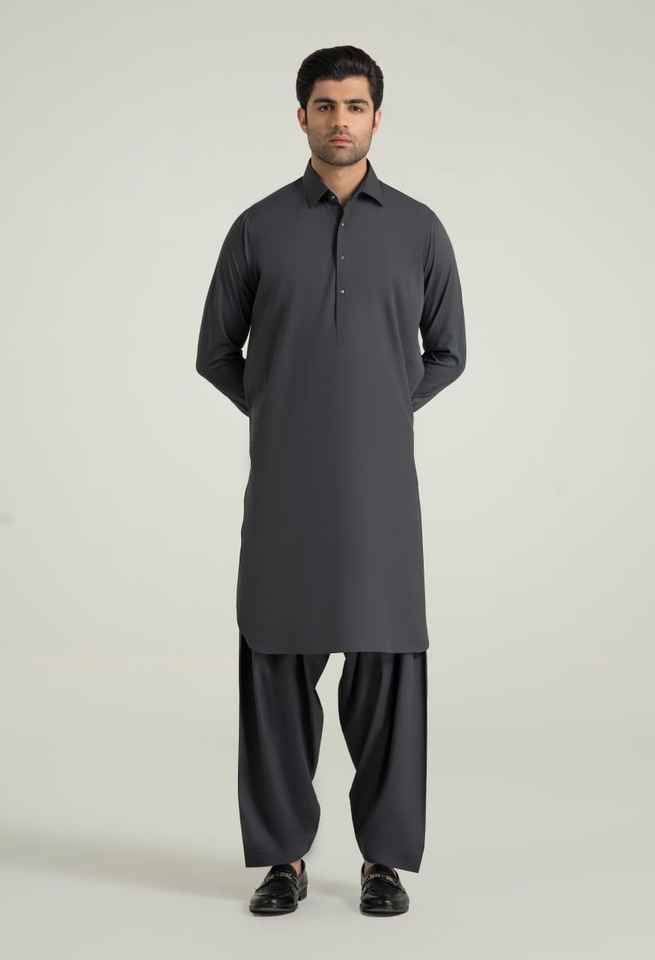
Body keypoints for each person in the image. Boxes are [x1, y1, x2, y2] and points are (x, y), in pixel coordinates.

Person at [195, 44, 467, 916]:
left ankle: (383, 863)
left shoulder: (418, 229)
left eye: (354, 105)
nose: (339, 120)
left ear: (376, 118)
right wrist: (281, 407)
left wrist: (381, 405)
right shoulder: (258, 227)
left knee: (387, 672)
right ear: (301, 116)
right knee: (275, 669)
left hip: (381, 501)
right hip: (283, 497)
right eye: (324, 104)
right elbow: (215, 352)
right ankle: (283, 861)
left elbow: (448, 350)